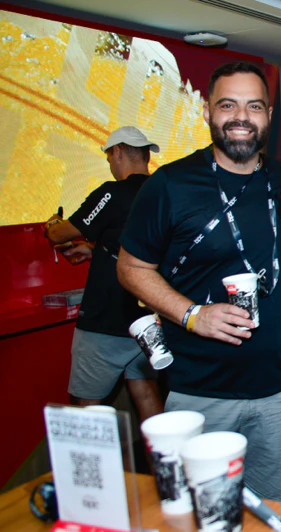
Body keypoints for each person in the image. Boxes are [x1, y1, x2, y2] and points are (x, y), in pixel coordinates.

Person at [117, 62, 281, 501]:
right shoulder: (170, 184)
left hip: (278, 390)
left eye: (253, 106)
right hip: (201, 393)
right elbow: (130, 268)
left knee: (274, 512)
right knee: (202, 515)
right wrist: (191, 314)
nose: (241, 117)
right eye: (228, 105)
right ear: (207, 112)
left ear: (269, 115)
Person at [44, 126, 163, 421]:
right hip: (149, 319)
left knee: (87, 406)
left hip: (106, 319)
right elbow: (136, 243)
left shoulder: (112, 193)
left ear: (118, 152)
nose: (110, 164)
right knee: (146, 394)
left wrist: (53, 224)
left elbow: (60, 234)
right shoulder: (162, 191)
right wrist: (96, 249)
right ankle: (163, 454)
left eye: (109, 157)